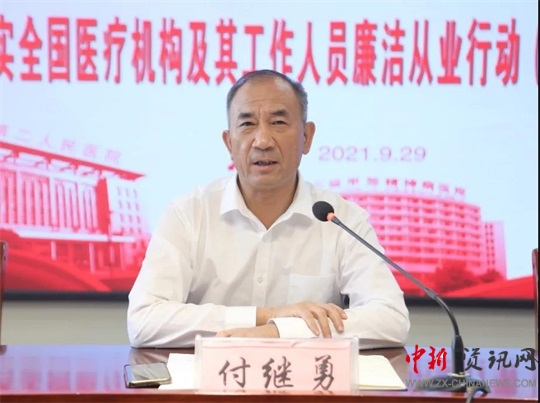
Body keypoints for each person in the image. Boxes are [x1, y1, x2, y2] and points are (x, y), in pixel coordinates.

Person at [127, 69, 410, 348]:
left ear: (307, 137)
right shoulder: (188, 215)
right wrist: (267, 316)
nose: (262, 141)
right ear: (229, 142)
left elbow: (391, 318)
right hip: (209, 377)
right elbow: (143, 320)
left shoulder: (341, 219)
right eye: (247, 124)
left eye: (278, 123)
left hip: (306, 378)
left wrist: (278, 332)